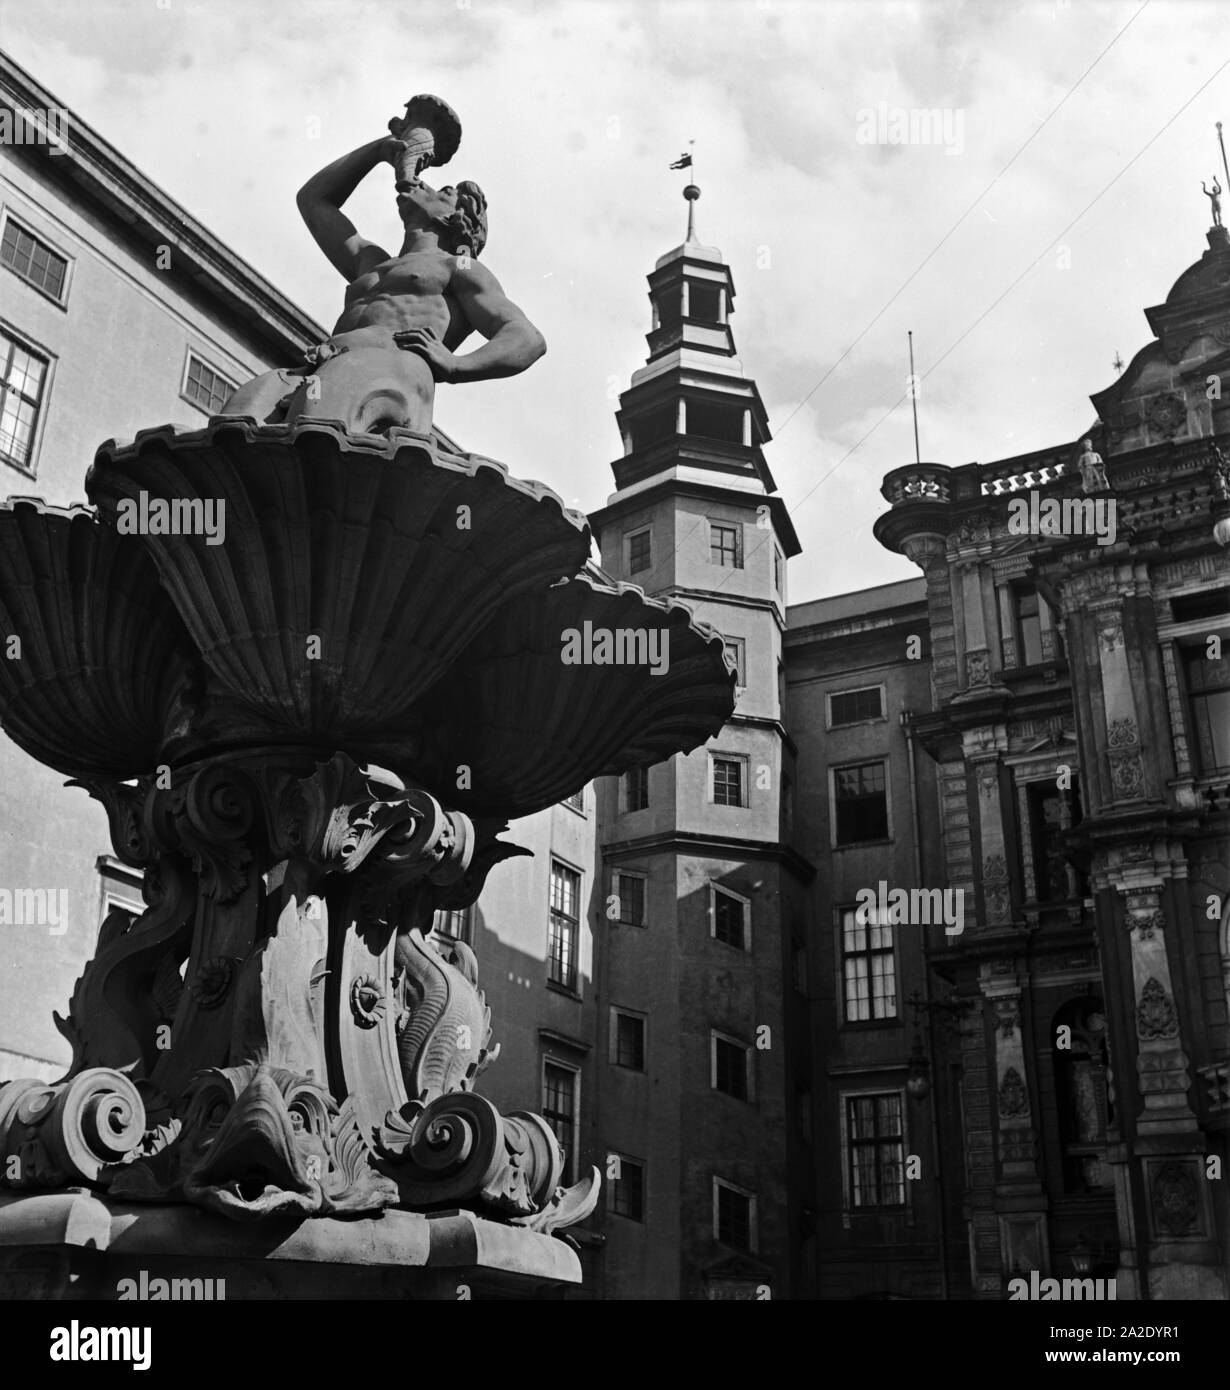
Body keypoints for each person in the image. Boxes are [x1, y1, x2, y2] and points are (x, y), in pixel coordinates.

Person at [218, 135, 545, 434]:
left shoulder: (459, 267)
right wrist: (377, 151)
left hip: (392, 370)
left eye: (443, 192)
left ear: (456, 218)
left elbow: (526, 338)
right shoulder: (371, 260)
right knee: (238, 418)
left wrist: (456, 365)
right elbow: (313, 200)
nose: (426, 186)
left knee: (317, 428)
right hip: (322, 366)